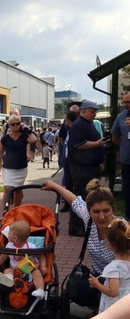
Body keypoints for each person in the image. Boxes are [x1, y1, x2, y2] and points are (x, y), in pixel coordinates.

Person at [42, 179, 117, 275]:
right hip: (98, 276)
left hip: (120, 281)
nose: (101, 216)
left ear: (113, 210)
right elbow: (74, 200)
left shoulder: (122, 229)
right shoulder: (88, 217)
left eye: (106, 211)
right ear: (89, 211)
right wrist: (54, 185)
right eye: (96, 212)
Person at [67, 100, 107, 236]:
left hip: (90, 166)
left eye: (95, 112)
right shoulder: (79, 125)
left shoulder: (87, 124)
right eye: (91, 111)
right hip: (82, 167)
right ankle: (76, 227)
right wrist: (97, 144)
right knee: (81, 196)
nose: (94, 114)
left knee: (87, 196)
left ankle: (84, 224)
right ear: (83, 111)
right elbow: (79, 144)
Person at [0, 220, 47, 299]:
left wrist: (43, 267)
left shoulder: (31, 247)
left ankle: (40, 291)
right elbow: (2, 257)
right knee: (7, 270)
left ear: (15, 238)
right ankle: (9, 278)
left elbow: (41, 257)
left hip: (29, 271)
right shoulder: (10, 246)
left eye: (9, 233)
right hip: (15, 271)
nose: (7, 235)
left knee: (36, 272)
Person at [0, 114, 37, 207]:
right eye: (13, 124)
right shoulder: (5, 139)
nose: (15, 126)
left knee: (18, 190)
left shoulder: (24, 136)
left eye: (17, 124)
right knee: (7, 188)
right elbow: (0, 153)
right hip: (8, 167)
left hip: (21, 167)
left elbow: (34, 139)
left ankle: (16, 210)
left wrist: (25, 129)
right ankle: (5, 212)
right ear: (9, 125)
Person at [110, 92, 130, 218]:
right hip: (127, 159)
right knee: (127, 189)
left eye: (129, 102)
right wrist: (124, 147)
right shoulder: (121, 117)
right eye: (125, 102)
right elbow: (115, 137)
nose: (126, 105)